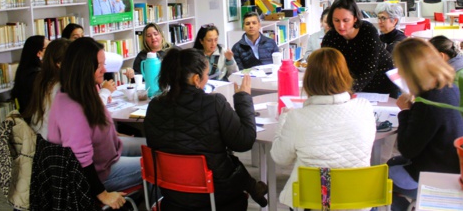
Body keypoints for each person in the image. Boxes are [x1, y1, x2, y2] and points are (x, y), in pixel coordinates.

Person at [144, 48, 268, 209]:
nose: (207, 78)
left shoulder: (154, 106)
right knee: (226, 158)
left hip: (172, 196)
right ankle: (252, 186)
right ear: (196, 79)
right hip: (214, 196)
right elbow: (244, 142)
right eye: (206, 74)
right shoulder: (214, 103)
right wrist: (243, 98)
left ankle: (252, 186)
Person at [270, 47, 376, 208]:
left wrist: (284, 117)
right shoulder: (365, 108)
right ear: (345, 75)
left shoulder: (297, 118)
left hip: (315, 204)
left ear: (309, 78)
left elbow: (280, 158)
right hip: (357, 202)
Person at [47, 37, 143, 210]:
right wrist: (103, 194)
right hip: (100, 173)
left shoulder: (85, 89)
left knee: (153, 145)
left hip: (108, 155)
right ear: (84, 67)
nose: (104, 70)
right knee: (160, 164)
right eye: (100, 65)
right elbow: (79, 158)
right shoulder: (71, 105)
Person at [389, 38, 463, 210]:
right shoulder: (450, 87)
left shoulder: (428, 101)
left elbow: (407, 148)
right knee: (391, 163)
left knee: (380, 175)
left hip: (433, 177)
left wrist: (404, 112)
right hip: (453, 167)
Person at [321, 0, 399, 98]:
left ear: (355, 19)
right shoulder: (330, 38)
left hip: (381, 82)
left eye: (345, 20)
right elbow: (327, 68)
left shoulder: (368, 31)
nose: (341, 26)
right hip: (350, 85)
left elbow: (369, 70)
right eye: (336, 20)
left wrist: (345, 92)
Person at [22, 38, 71, 139]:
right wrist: (104, 92)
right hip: (54, 145)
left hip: (41, 141)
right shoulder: (62, 87)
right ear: (59, 63)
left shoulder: (44, 81)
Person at [11, 35, 49, 113]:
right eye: (49, 47)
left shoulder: (25, 70)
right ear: (39, 53)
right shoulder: (35, 75)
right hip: (33, 118)